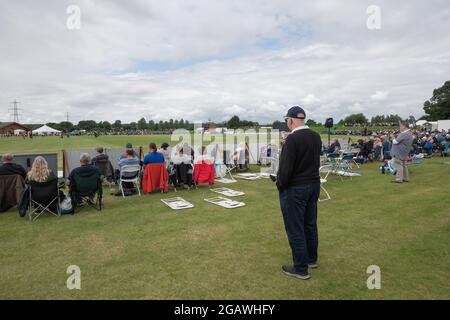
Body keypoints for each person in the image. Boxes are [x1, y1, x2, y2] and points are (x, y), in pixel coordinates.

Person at [276, 106, 322, 280]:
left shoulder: (293, 139)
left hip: (296, 188)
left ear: (291, 120)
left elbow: (286, 169)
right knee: (310, 223)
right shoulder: (315, 136)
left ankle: (301, 268)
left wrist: (280, 184)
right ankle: (311, 259)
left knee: (295, 227)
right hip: (313, 184)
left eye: (287, 120)